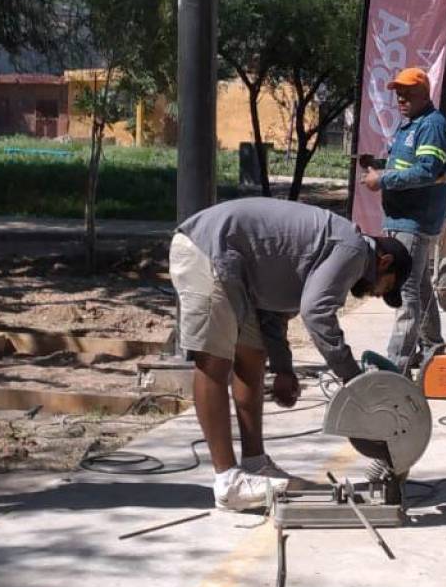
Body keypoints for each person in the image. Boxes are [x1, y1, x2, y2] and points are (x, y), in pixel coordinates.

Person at [171, 198, 412, 511]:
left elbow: (272, 313)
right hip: (209, 248)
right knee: (214, 361)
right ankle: (228, 480)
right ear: (383, 262)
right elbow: (316, 313)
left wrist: (284, 369)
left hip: (235, 264)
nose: (377, 294)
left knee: (253, 357)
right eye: (385, 287)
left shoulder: (341, 250)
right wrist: (353, 379)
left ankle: (255, 464)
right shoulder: (353, 250)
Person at [362, 67, 446, 372]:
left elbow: (428, 170)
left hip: (414, 222)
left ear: (424, 93)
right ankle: (433, 350)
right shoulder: (410, 126)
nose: (401, 98)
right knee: (421, 287)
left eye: (408, 92)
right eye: (398, 92)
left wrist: (384, 178)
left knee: (406, 292)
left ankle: (395, 365)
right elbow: (411, 166)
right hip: (402, 220)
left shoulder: (431, 126)